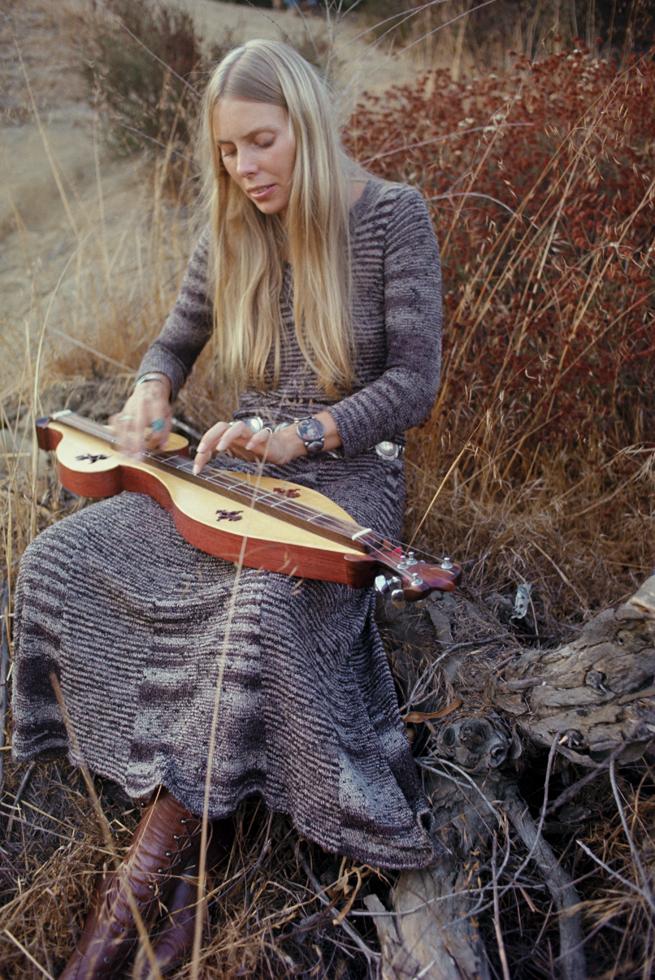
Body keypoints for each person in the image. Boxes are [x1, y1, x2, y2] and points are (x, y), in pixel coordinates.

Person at [11, 38, 444, 978]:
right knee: (60, 560)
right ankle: (160, 824)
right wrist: (150, 393)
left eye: (261, 142)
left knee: (252, 617)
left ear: (307, 127)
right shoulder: (233, 228)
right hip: (227, 475)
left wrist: (307, 434)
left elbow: (415, 382)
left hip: (343, 482)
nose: (244, 167)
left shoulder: (390, 216)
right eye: (227, 150)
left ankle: (143, 903)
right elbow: (172, 344)